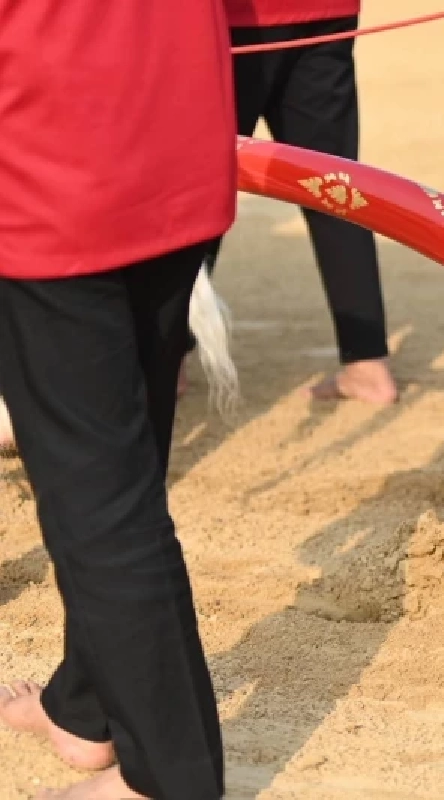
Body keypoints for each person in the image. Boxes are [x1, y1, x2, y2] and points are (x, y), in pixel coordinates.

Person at [0, 0, 234, 796]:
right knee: (122, 472)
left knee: (98, 503)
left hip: (50, 177)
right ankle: (88, 703)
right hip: (172, 142)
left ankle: (171, 780)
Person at [181, 0, 399, 406]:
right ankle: (367, 361)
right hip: (321, 12)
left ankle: (168, 358)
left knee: (196, 190)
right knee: (335, 190)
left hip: (228, 20)